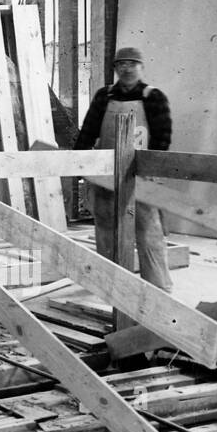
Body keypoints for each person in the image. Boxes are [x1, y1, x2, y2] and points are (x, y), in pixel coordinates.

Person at [74, 46, 173, 291]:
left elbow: (162, 138)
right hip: (106, 174)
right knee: (105, 228)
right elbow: (88, 131)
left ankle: (159, 287)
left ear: (141, 67)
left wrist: (154, 173)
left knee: (148, 229)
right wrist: (79, 164)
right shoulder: (104, 96)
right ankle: (110, 285)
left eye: (132, 63)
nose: (126, 68)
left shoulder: (153, 96)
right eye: (121, 64)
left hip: (141, 174)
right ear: (116, 69)